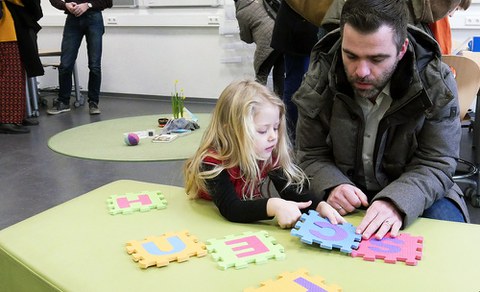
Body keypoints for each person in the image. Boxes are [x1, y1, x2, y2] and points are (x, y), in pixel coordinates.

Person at [293, 0, 470, 240]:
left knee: (449, 236)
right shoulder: (319, 75)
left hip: (414, 188)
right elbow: (309, 153)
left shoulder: (435, 81)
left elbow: (437, 161)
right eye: (351, 56)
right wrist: (332, 185)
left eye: (376, 59)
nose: (361, 71)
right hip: (345, 187)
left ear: (402, 49)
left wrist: (396, 201)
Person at [184, 80, 345, 228]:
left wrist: (318, 205)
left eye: (275, 128)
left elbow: (290, 190)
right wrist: (274, 205)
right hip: (204, 217)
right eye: (262, 130)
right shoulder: (212, 162)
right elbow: (231, 208)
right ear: (231, 131)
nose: (273, 136)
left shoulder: (265, 153)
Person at [47, 0, 112, 116]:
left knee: (94, 65)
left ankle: (93, 102)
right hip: (73, 19)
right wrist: (65, 6)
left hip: (94, 18)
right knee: (65, 64)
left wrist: (87, 5)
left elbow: (108, 1)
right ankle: (63, 101)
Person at [270, 1, 319, 139]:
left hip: (301, 29)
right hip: (299, 30)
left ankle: (292, 134)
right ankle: (290, 135)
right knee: (296, 84)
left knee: (298, 82)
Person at [0, 0, 43, 134]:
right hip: (4, 33)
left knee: (17, 76)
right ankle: (7, 120)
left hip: (14, 29)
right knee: (9, 77)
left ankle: (17, 116)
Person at [233, 0, 284, 96]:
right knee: (279, 73)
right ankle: (280, 103)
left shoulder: (241, 12)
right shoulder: (259, 1)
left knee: (261, 76)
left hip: (267, 44)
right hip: (281, 36)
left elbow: (246, 39)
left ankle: (258, 102)